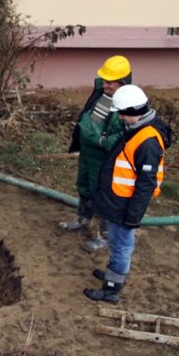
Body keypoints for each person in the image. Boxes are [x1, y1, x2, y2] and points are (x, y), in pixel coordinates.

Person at [84, 85, 171, 304]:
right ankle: (114, 274)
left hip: (126, 204)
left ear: (133, 111)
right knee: (116, 241)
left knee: (122, 244)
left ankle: (111, 288)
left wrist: (133, 215)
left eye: (123, 113)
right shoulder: (138, 129)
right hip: (118, 200)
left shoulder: (148, 141)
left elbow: (146, 184)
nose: (121, 117)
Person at [60, 55, 132, 252]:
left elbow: (125, 135)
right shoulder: (101, 91)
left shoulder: (129, 104)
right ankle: (83, 219)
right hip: (87, 154)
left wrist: (102, 141)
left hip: (104, 158)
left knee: (103, 195)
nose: (106, 85)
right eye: (105, 80)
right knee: (84, 186)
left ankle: (104, 237)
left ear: (122, 82)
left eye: (110, 82)